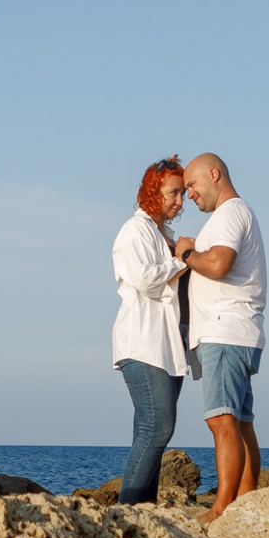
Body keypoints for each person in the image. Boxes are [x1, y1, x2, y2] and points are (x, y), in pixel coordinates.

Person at [175, 152, 266, 521]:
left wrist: (186, 252)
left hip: (225, 329)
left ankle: (223, 506)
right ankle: (245, 501)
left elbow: (217, 264)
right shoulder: (233, 215)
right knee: (240, 420)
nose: (190, 194)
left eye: (193, 185)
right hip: (237, 330)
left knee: (221, 418)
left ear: (215, 174)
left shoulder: (229, 213)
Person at [110, 156, 191, 505]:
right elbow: (145, 279)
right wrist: (181, 259)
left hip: (168, 346)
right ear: (152, 190)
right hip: (142, 343)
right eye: (174, 192)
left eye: (183, 193)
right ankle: (126, 513)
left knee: (148, 432)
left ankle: (145, 515)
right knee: (157, 428)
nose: (180, 200)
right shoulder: (136, 230)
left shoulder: (164, 235)